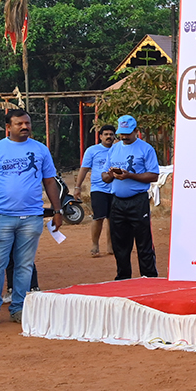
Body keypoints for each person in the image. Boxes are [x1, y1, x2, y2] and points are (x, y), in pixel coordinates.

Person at [0, 110, 63, 327]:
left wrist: (58, 211)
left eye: (27, 123)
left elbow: (50, 181)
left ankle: (19, 308)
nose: (25, 127)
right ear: (8, 127)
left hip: (31, 218)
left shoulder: (40, 149)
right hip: (1, 217)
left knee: (24, 266)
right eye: (19, 123)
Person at [103, 115, 161, 280]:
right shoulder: (114, 149)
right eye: (121, 133)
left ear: (136, 131)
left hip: (138, 201)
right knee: (119, 243)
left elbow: (153, 176)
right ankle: (123, 278)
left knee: (143, 242)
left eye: (128, 133)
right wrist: (110, 175)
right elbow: (104, 176)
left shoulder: (146, 149)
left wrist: (130, 176)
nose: (124, 137)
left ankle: (149, 277)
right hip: (117, 202)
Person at [76, 124, 116, 258]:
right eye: (106, 134)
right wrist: (77, 187)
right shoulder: (92, 151)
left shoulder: (118, 150)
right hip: (99, 189)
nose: (108, 137)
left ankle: (111, 246)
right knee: (98, 217)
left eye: (111, 134)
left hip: (115, 189)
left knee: (113, 219)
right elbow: (84, 169)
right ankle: (95, 245)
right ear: (100, 136)